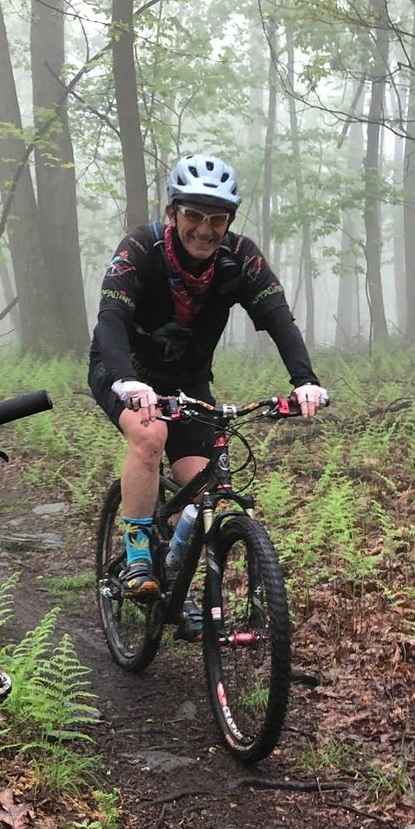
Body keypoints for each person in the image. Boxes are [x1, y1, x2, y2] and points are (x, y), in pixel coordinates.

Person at [88, 152, 327, 610]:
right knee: (150, 434)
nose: (204, 228)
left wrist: (305, 380)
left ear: (229, 222)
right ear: (172, 213)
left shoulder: (241, 257)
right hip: (122, 370)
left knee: (203, 489)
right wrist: (125, 381)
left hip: (187, 381)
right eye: (194, 215)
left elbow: (278, 317)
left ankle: (174, 588)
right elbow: (112, 316)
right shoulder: (140, 248)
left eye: (217, 219)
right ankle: (138, 555)